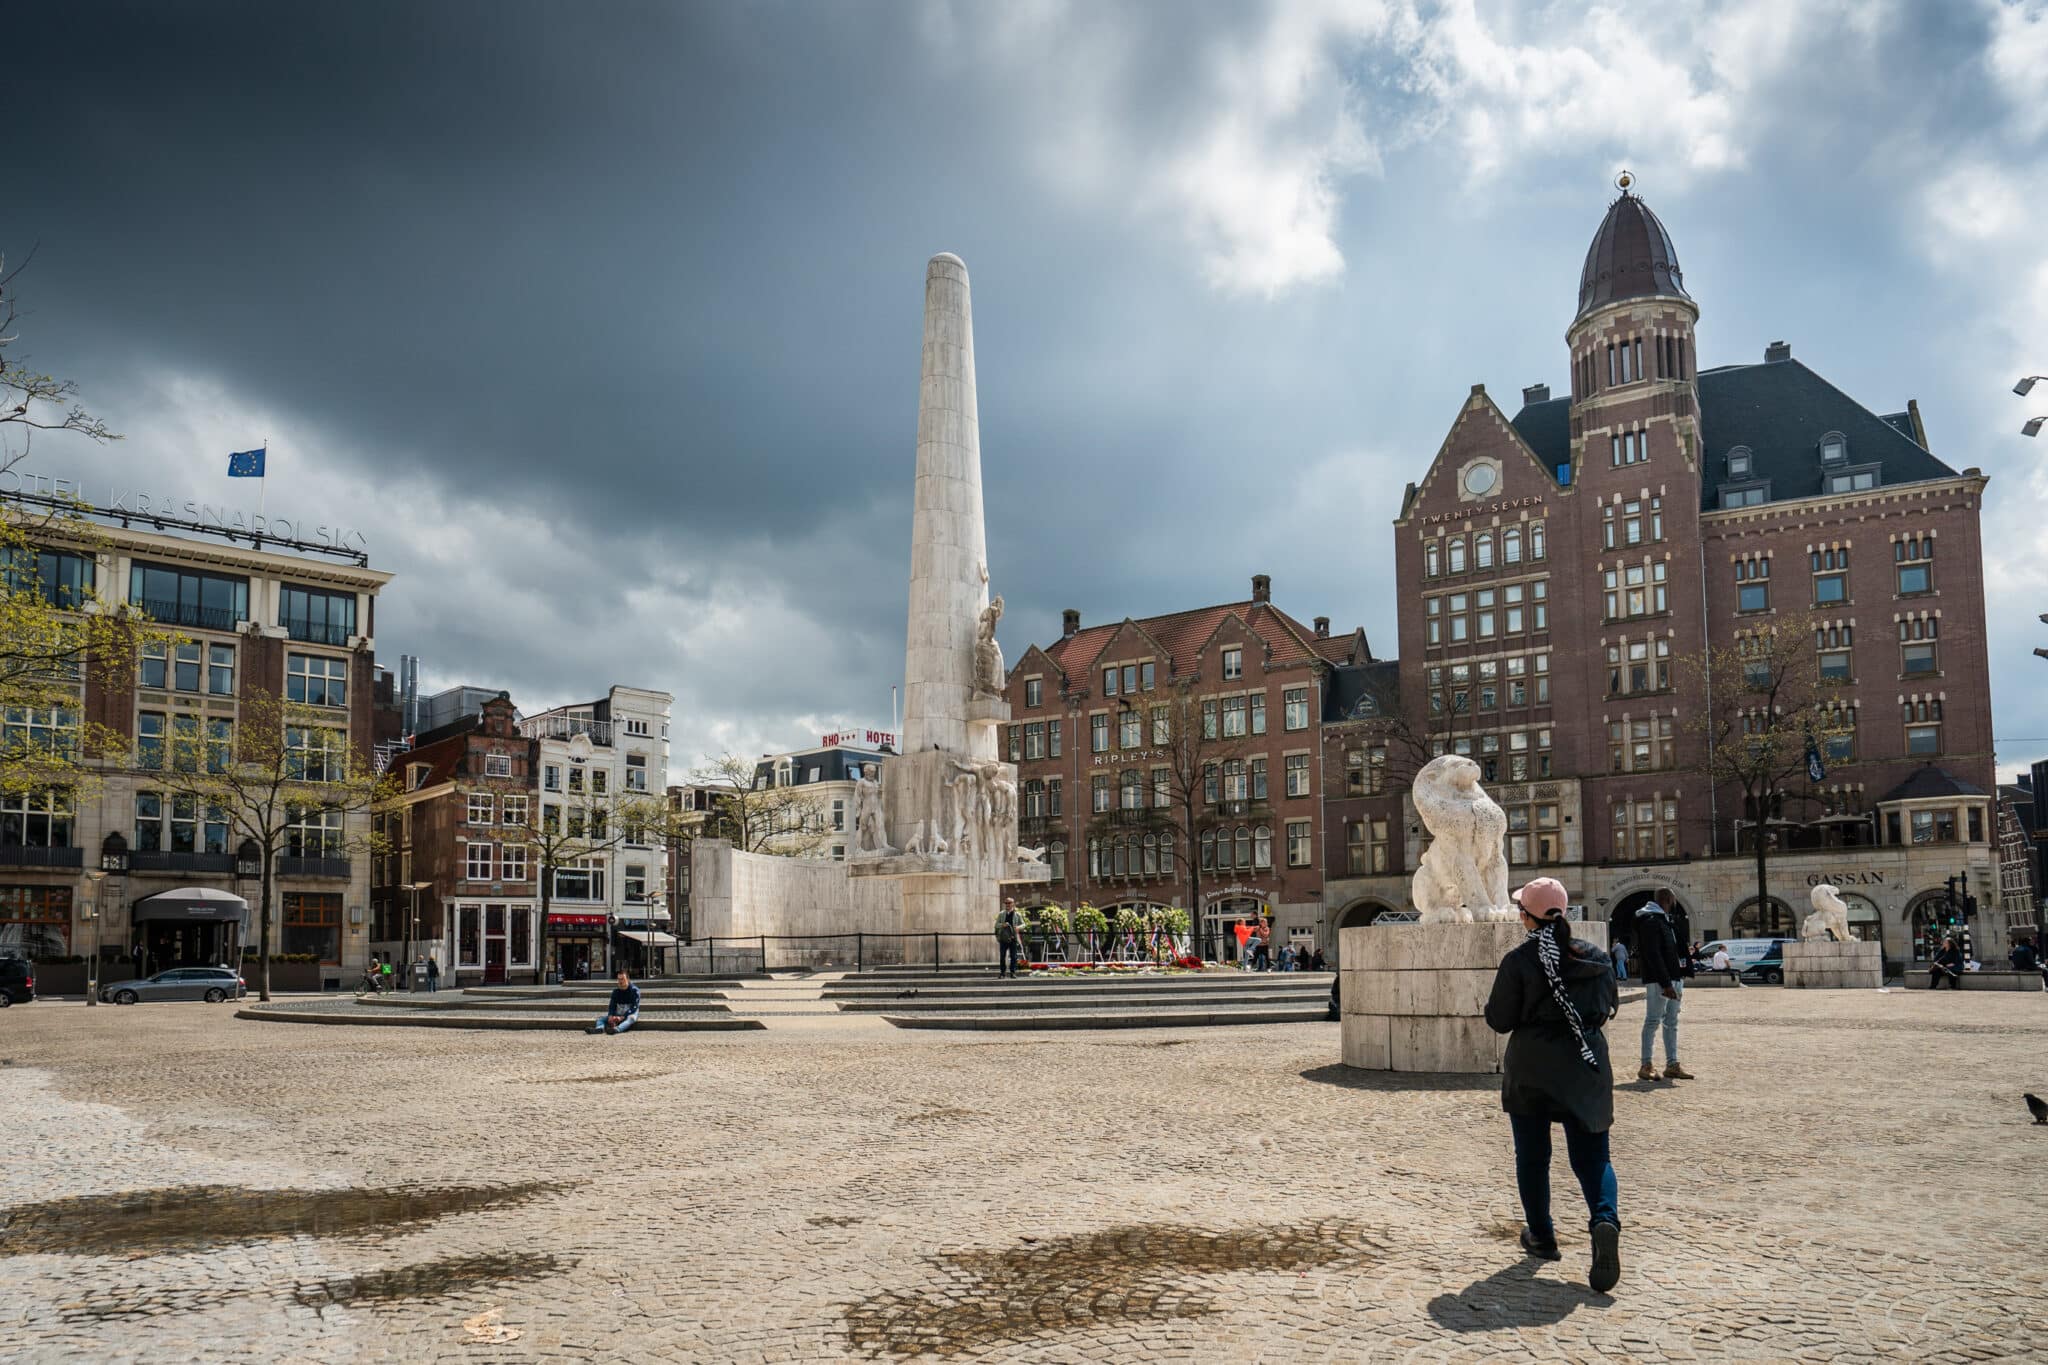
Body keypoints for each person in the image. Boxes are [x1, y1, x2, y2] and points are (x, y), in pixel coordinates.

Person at [1484, 876, 1622, 1294]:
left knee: (1533, 1157)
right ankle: (1604, 1220)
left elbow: (1499, 1019)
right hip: (1585, 1064)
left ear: (1525, 916)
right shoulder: (1595, 957)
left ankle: (1542, 1237)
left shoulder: (1519, 961)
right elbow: (1608, 1006)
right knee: (1593, 1156)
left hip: (1533, 1066)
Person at [1634, 891, 1692, 1081]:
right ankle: (1646, 1064)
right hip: (1660, 980)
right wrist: (1666, 983)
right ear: (1668, 900)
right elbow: (1653, 954)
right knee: (1652, 1020)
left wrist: (1680, 976)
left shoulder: (1666, 921)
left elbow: (1674, 951)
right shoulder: (1650, 921)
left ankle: (1672, 1064)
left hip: (1675, 977)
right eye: (1674, 900)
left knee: (1672, 1022)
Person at [592, 970, 641, 1034]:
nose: (620, 981)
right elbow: (612, 1005)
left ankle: (617, 1029)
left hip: (630, 1012)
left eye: (622, 979)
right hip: (619, 1012)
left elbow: (634, 1007)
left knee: (631, 1019)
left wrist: (622, 1017)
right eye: (619, 979)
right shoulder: (615, 991)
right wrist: (610, 1015)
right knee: (601, 1019)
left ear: (628, 979)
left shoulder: (635, 991)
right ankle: (599, 1029)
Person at [994, 898, 1025, 979]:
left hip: (1013, 938)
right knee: (1002, 956)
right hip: (1003, 938)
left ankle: (1012, 972)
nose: (1007, 904)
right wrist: (1002, 925)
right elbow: (996, 925)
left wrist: (1018, 927)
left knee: (1013, 956)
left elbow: (1024, 924)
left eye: (1009, 903)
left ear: (1013, 904)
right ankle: (1002, 973)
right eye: (1006, 903)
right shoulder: (1001, 914)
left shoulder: (1017, 914)